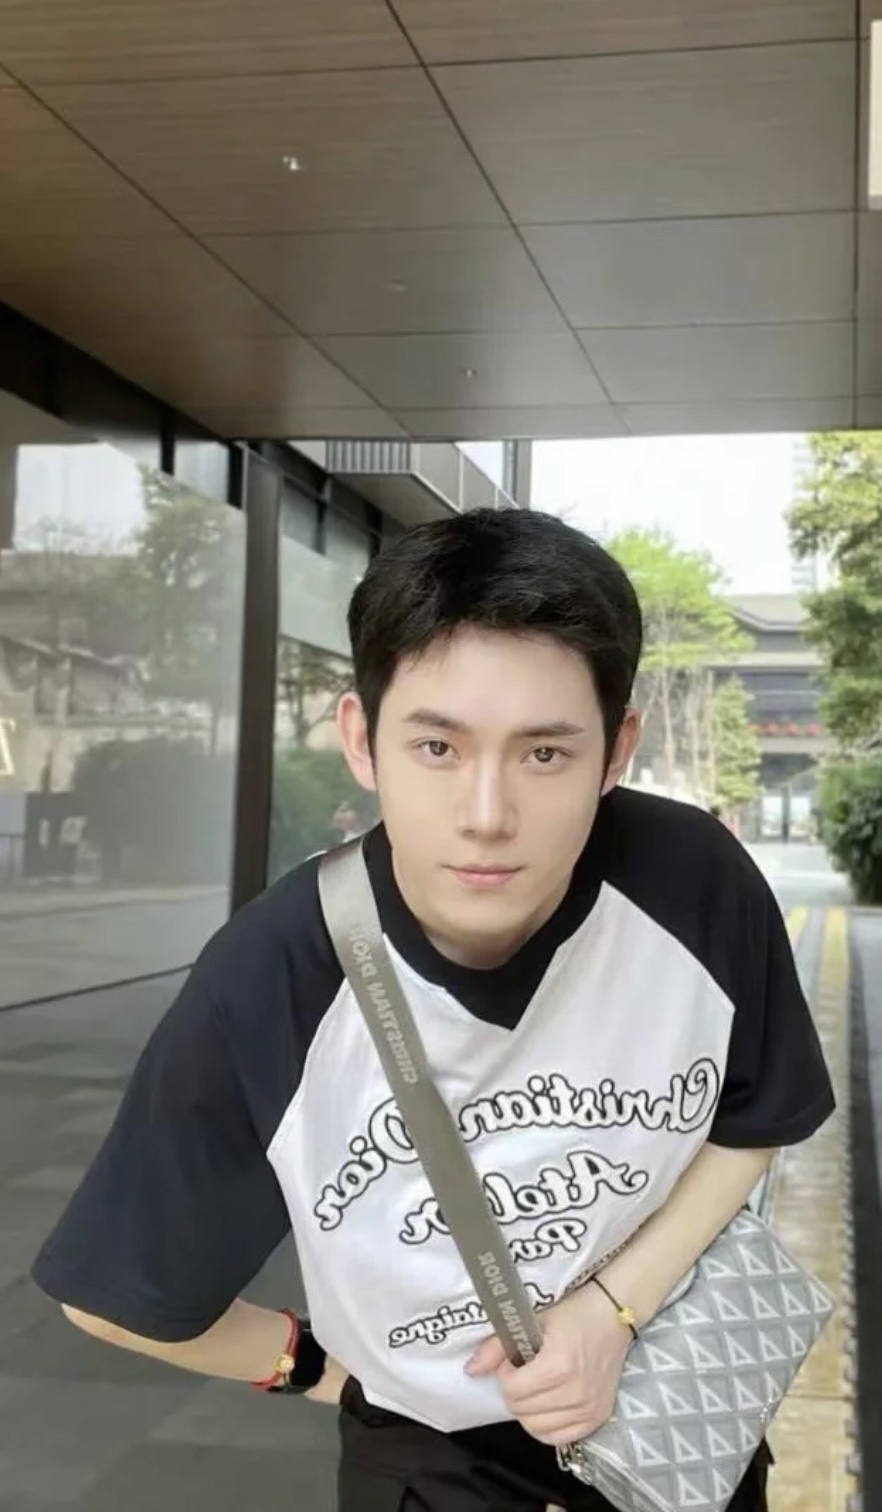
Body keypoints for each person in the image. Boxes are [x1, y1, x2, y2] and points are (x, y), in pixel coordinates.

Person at [31, 508, 835, 1512]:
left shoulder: (692, 883)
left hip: (672, 1428)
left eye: (545, 755)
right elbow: (116, 1293)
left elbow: (756, 1118)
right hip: (432, 1469)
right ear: (361, 740)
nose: (487, 815)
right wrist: (324, 1373)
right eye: (438, 747)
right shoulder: (276, 975)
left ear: (616, 749)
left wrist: (610, 1313)